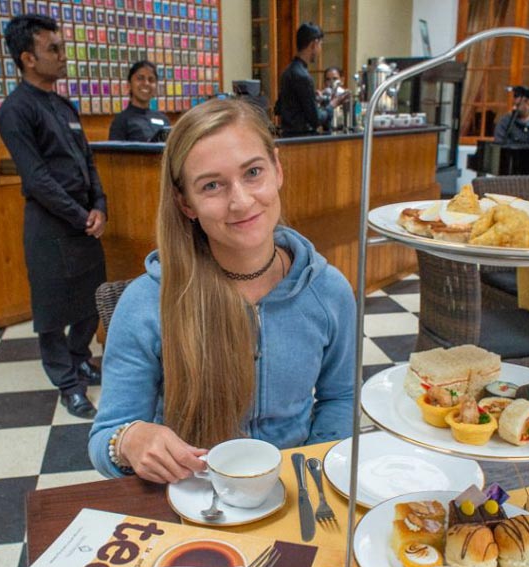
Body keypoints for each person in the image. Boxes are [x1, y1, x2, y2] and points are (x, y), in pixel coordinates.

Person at [88, 98, 356, 482]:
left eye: (253, 172)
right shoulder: (147, 303)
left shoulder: (328, 292)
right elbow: (104, 439)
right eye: (212, 185)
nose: (241, 201)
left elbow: (340, 398)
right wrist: (129, 439)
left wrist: (310, 471)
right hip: (190, 494)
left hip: (295, 492)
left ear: (277, 169)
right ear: (186, 203)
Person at [0, 14, 107, 419]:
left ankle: (80, 358)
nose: (63, 56)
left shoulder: (63, 105)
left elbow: (88, 162)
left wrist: (100, 206)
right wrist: (81, 215)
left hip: (83, 222)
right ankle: (67, 384)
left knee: (90, 301)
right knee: (52, 312)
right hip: (50, 226)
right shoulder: (16, 110)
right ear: (28, 58)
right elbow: (38, 179)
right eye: (53, 49)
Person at [274, 23, 347, 136]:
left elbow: (278, 108)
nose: (320, 50)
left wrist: (312, 97)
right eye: (320, 45)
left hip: (287, 137)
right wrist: (332, 104)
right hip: (302, 141)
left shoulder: (287, 72)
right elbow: (316, 120)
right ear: (314, 44)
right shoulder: (303, 76)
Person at [108, 60, 171, 142]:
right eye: (140, 78)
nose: (146, 83)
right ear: (129, 85)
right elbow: (113, 154)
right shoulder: (121, 121)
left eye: (151, 80)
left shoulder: (164, 119)